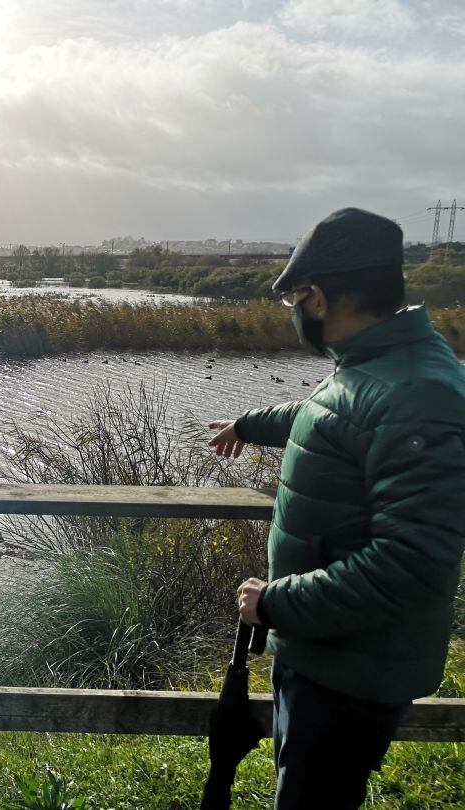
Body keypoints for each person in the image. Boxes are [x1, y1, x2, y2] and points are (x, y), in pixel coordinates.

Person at [207, 207, 465, 809]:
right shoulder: (381, 365)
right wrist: (250, 422)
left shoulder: (417, 392)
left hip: (349, 673)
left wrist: (274, 603)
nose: (294, 313)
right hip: (329, 654)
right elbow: (332, 414)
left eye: (294, 299)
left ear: (317, 297)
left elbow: (411, 563)